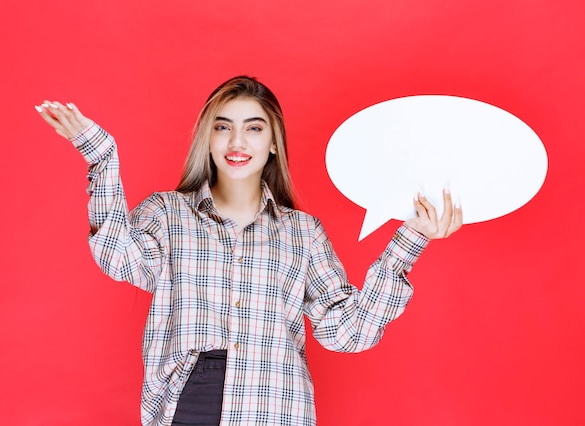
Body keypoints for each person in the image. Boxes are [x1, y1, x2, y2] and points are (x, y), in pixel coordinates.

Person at [35, 76, 462, 426]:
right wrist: (101, 154)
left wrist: (410, 241)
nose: (237, 141)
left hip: (275, 406)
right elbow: (116, 253)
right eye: (223, 127)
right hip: (188, 404)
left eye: (254, 128)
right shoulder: (167, 213)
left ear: (274, 143)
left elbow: (347, 332)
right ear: (208, 138)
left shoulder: (304, 233)